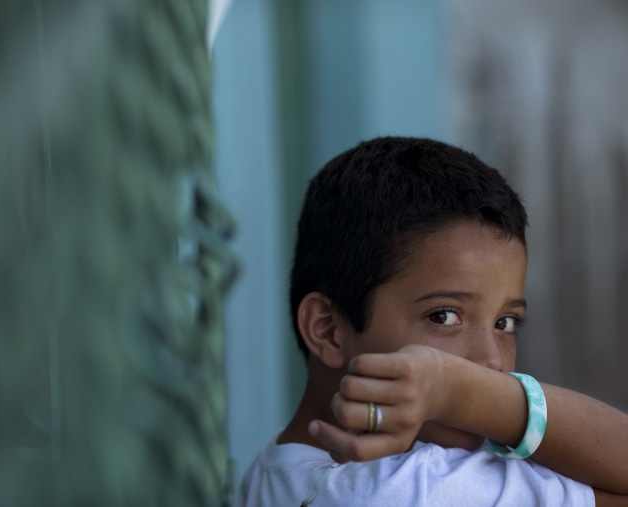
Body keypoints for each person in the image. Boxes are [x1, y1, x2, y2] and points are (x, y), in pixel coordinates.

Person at [238, 137, 628, 506]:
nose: (491, 360)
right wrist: (467, 395)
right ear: (327, 329)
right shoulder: (413, 488)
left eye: (506, 322)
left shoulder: (270, 470)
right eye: (443, 316)